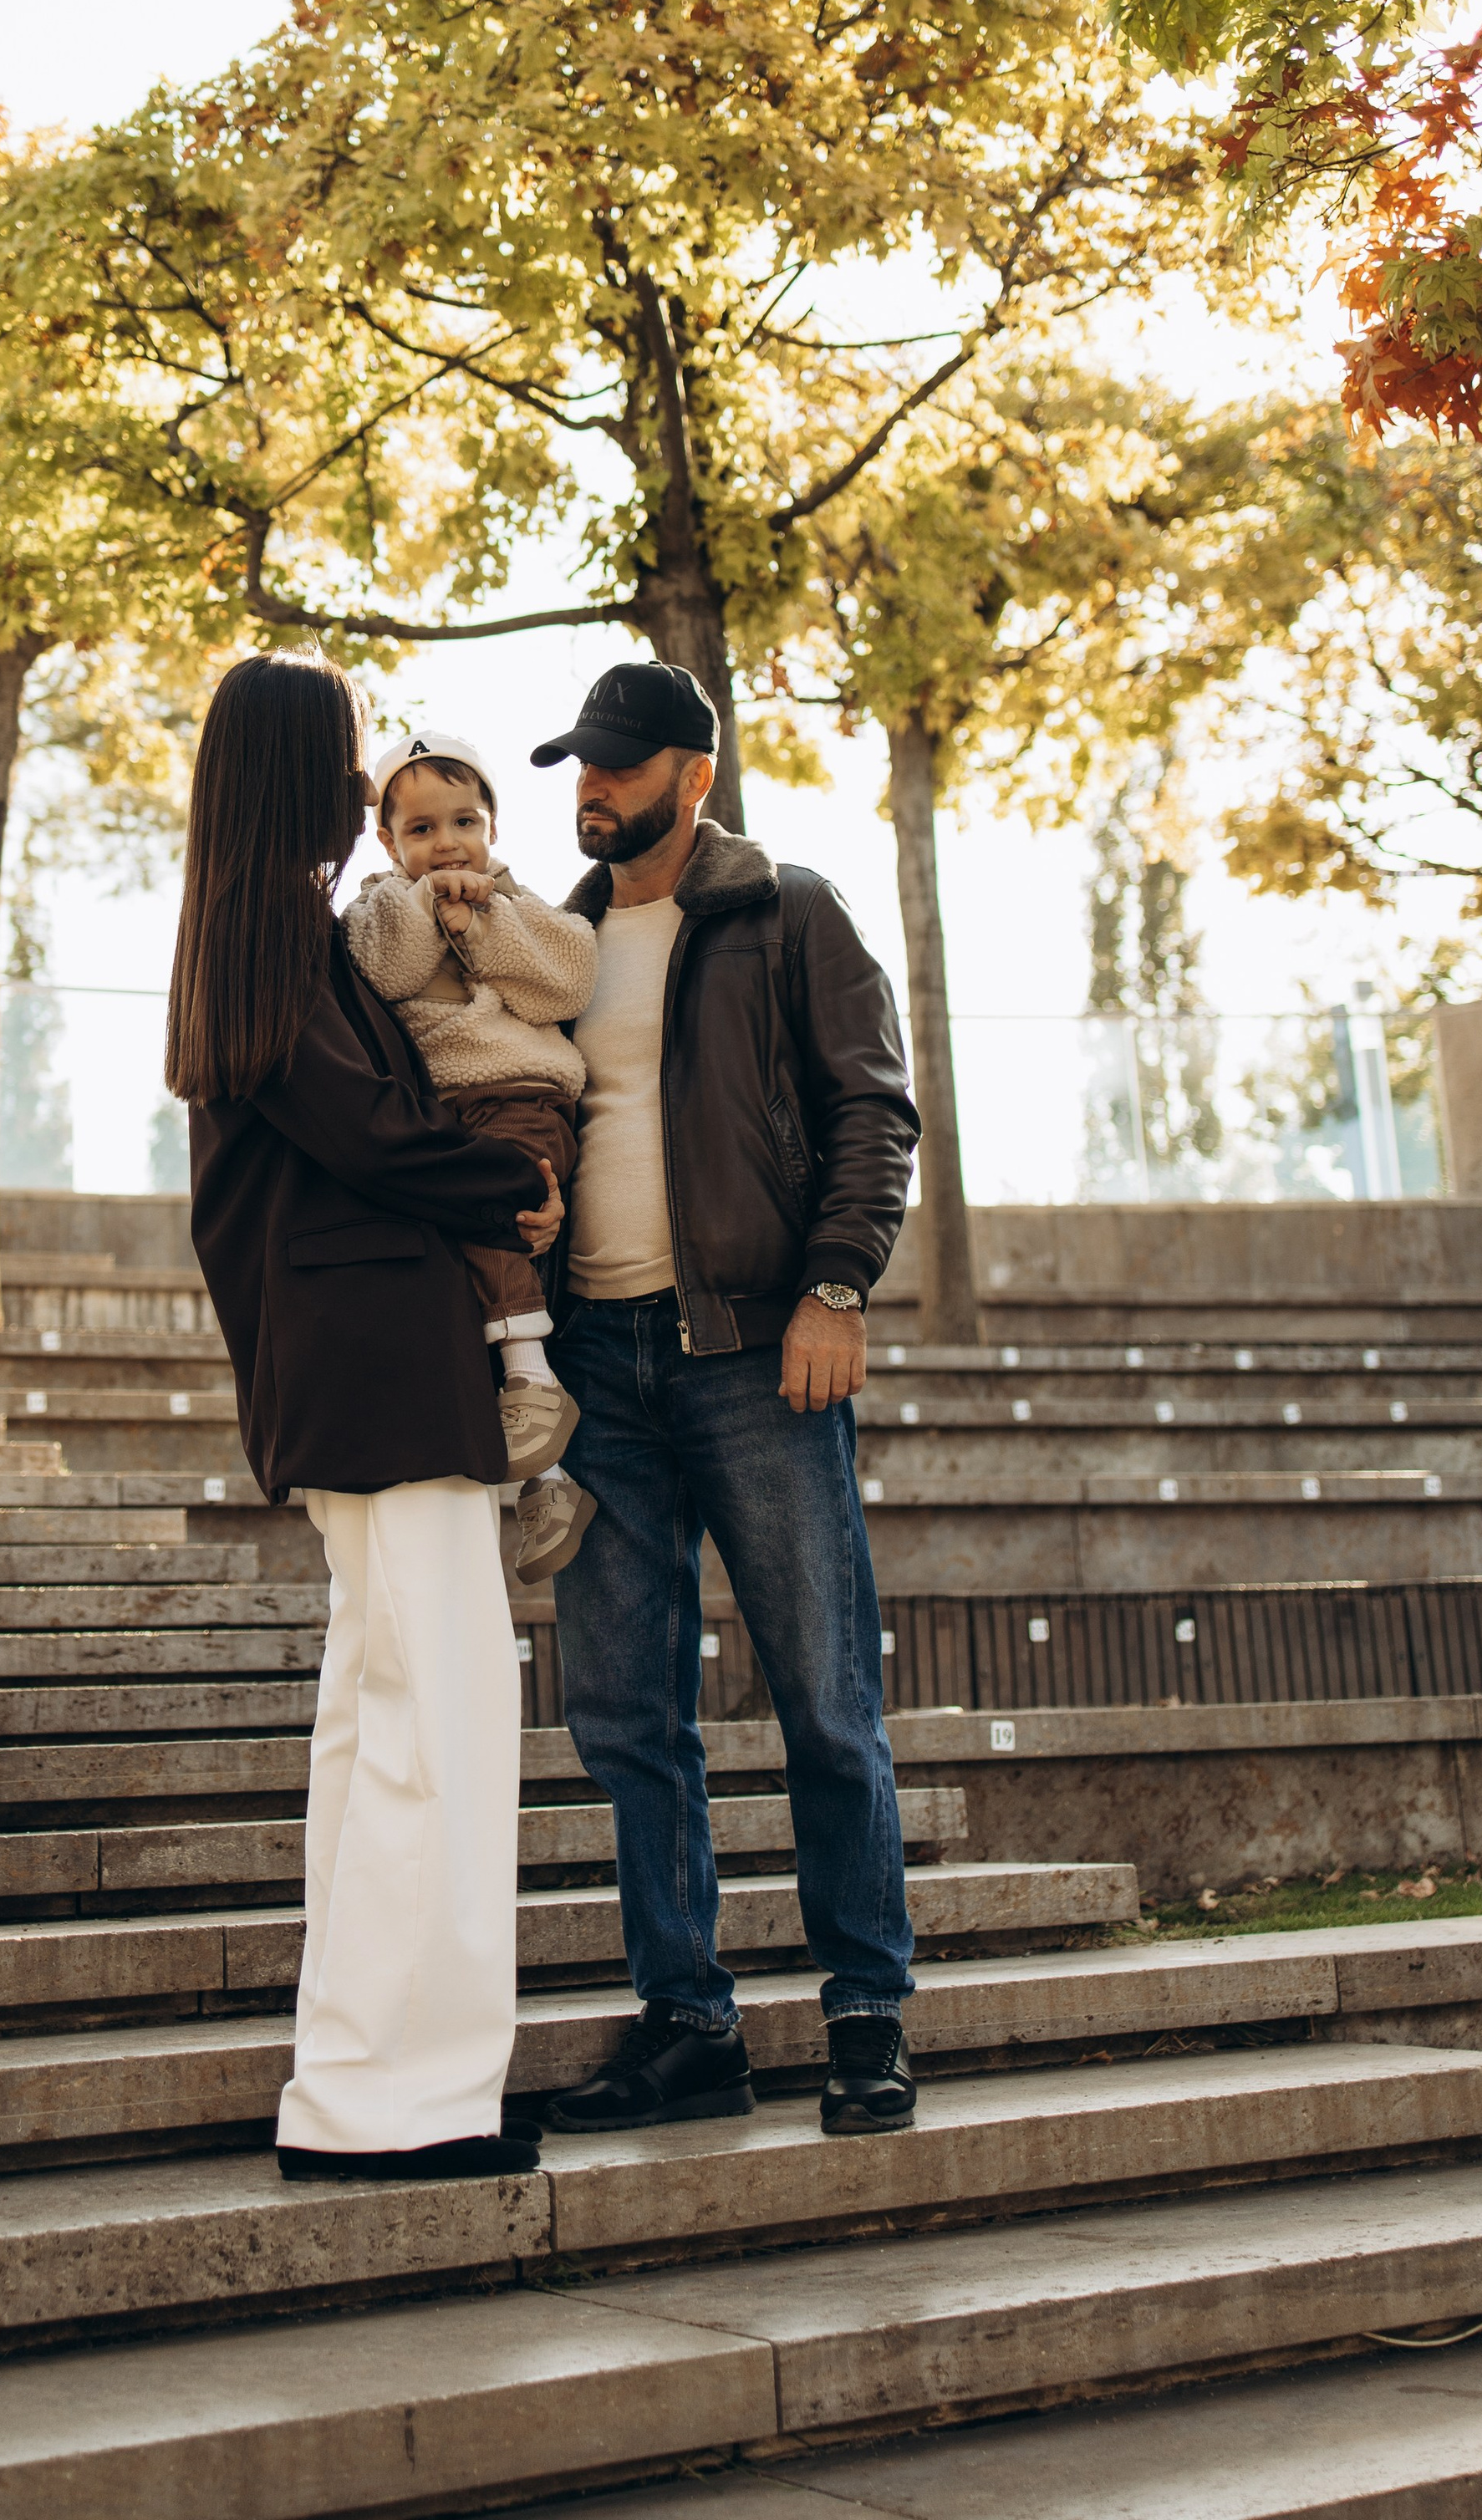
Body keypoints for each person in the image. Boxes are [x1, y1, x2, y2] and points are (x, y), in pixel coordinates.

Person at [169, 653, 563, 2184]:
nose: (357, 788)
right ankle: (393, 2105)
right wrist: (505, 1188)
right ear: (287, 770)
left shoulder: (255, 927)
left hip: (360, 1366)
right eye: (336, 758)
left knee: (383, 1726)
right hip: (376, 1364)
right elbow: (367, 1129)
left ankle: (371, 2086)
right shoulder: (271, 926)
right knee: (436, 1729)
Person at [530, 659, 923, 2141]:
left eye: (621, 766)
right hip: (599, 1368)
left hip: (756, 1353)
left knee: (826, 1696)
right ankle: (688, 2023)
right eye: (583, 763)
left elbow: (872, 1110)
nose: (594, 788)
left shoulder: (785, 912)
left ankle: (867, 2014)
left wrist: (836, 1286)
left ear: (693, 776)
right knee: (629, 1714)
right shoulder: (551, 947)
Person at [340, 729, 601, 1586]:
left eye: (463, 823)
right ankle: (548, 1483)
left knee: (502, 1220)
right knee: (466, 1265)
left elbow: (561, 983)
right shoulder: (380, 908)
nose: (446, 845)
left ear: (492, 827)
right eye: (420, 831)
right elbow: (383, 971)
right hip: (443, 1114)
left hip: (523, 1098)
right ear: (387, 842)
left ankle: (532, 1379)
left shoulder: (522, 906)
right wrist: (428, 907)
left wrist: (479, 916)